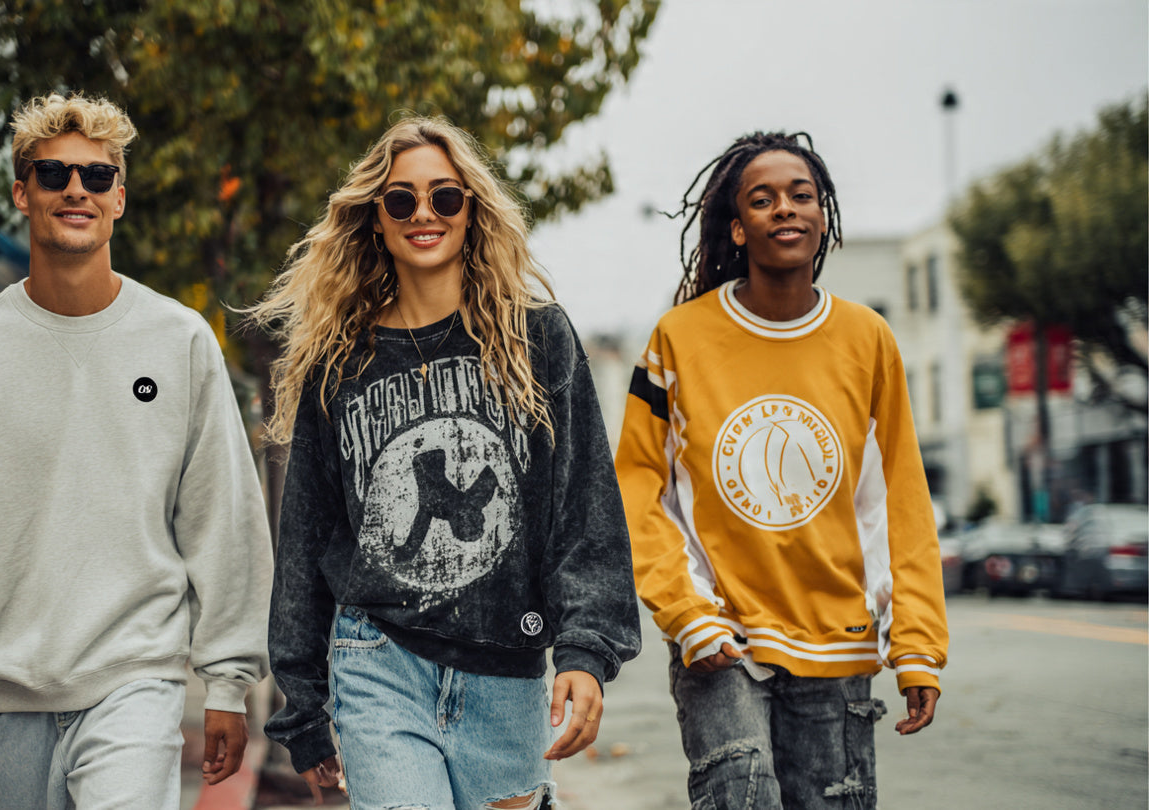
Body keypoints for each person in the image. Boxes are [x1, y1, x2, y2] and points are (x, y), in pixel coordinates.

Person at [0, 92, 274, 809]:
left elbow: (222, 520)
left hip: (137, 678)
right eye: (53, 173)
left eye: (95, 176)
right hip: (7, 693)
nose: (74, 190)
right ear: (20, 192)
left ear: (119, 198)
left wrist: (227, 681)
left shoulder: (179, 341)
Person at [243, 116, 641, 808]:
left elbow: (584, 509)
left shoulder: (536, 338)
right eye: (401, 199)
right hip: (378, 662)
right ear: (375, 218)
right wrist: (303, 710)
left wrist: (586, 651)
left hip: (505, 675)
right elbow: (305, 536)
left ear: (472, 211)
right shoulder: (340, 363)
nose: (423, 213)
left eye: (444, 197)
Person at [615, 131, 949, 808]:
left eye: (802, 195)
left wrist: (917, 641)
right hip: (721, 642)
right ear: (738, 228)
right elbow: (635, 488)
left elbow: (901, 499)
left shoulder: (868, 340)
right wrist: (687, 614)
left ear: (823, 215)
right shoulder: (678, 338)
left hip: (838, 646)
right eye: (762, 200)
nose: (785, 209)